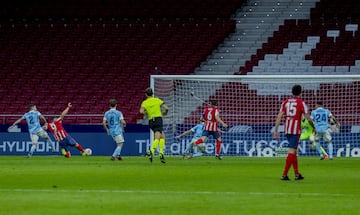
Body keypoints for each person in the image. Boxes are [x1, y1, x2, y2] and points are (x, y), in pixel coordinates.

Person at [274, 85, 313, 180]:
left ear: (292, 91)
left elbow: (279, 116)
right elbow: (307, 117)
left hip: (287, 129)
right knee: (292, 151)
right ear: (300, 92)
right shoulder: (301, 103)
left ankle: (297, 174)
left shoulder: (285, 102)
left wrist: (276, 130)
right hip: (295, 130)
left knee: (294, 151)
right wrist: (313, 126)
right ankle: (284, 174)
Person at [140, 87, 169, 163]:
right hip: (158, 119)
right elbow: (166, 108)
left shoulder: (144, 102)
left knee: (162, 136)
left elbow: (141, 112)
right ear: (152, 93)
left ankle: (161, 153)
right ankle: (151, 151)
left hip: (151, 121)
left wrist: (148, 111)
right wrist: (165, 113)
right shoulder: (157, 100)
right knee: (158, 136)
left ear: (146, 94)